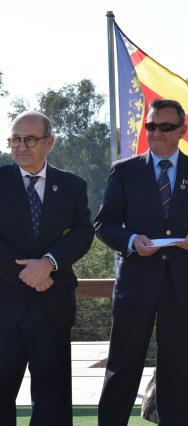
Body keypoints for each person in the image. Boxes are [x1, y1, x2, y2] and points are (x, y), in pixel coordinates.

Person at [95, 99, 188, 425]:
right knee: (123, 368)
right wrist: (130, 241)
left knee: (180, 372)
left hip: (183, 289)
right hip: (136, 285)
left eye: (165, 127)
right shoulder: (124, 171)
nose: (155, 133)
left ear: (182, 131)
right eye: (151, 126)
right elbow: (104, 224)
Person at [0, 111, 94, 425]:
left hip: (52, 308)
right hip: (4, 310)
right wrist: (29, 274)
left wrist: (49, 264)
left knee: (52, 404)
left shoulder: (72, 186)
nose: (21, 146)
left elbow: (84, 233)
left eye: (29, 139)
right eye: (15, 139)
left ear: (49, 142)